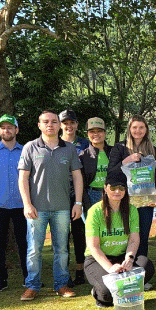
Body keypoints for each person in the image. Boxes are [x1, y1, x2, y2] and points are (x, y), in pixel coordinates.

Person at [18, 110, 83, 300]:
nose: (50, 125)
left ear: (59, 125)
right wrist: (27, 204)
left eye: (54, 122)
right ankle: (32, 285)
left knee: (61, 249)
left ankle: (61, 285)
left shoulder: (69, 148)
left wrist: (78, 203)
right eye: (46, 122)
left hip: (62, 208)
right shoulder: (30, 147)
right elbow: (23, 178)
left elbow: (77, 177)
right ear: (39, 125)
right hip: (36, 209)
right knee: (34, 250)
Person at [83, 170, 155, 307]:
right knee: (106, 295)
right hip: (99, 260)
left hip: (121, 257)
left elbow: (134, 239)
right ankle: (99, 291)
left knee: (147, 266)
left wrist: (129, 259)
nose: (117, 191)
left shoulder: (131, 210)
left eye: (121, 188)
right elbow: (93, 246)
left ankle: (124, 288)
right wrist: (110, 268)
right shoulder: (95, 211)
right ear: (105, 188)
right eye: (113, 187)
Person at [0, 114, 27, 293]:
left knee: (25, 243)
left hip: (22, 206)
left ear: (16, 130)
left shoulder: (26, 151)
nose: (6, 130)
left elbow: (32, 179)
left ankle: (29, 277)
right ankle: (1, 279)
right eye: (3, 127)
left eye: (10, 127)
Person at [107, 115, 156, 259]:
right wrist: (127, 160)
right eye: (135, 127)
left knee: (143, 234)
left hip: (146, 200)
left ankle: (141, 266)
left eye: (141, 127)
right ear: (129, 129)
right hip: (125, 199)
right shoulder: (119, 148)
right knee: (125, 233)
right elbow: (111, 173)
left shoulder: (153, 150)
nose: (138, 131)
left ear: (146, 129)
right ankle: (123, 265)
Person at [77, 117, 112, 285]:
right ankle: (95, 269)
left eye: (99, 131)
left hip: (112, 195)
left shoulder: (114, 152)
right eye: (92, 132)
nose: (96, 134)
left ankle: (113, 266)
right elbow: (81, 183)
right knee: (94, 234)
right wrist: (84, 204)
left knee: (111, 231)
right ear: (87, 134)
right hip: (92, 195)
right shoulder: (83, 155)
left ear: (105, 133)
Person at [60, 109, 89, 286]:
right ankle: (63, 272)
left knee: (80, 233)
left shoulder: (85, 144)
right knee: (62, 235)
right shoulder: (55, 143)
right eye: (65, 123)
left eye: (72, 122)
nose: (69, 126)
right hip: (60, 195)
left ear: (77, 124)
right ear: (60, 125)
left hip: (80, 195)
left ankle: (80, 270)